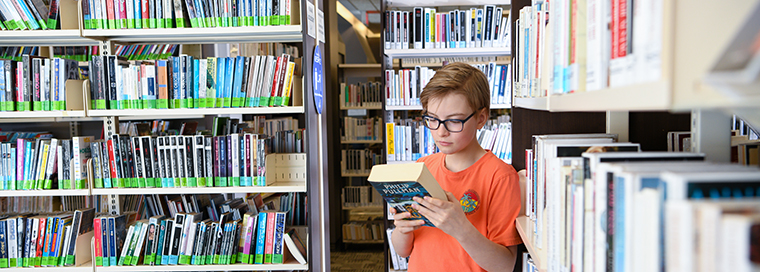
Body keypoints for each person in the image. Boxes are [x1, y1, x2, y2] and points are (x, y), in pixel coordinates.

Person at [390, 62, 521, 272]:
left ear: (481, 118)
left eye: (454, 121)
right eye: (432, 119)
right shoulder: (422, 167)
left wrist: (461, 229)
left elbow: (504, 266)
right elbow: (403, 251)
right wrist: (402, 230)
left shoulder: (501, 177)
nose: (441, 132)